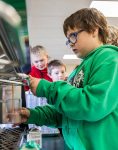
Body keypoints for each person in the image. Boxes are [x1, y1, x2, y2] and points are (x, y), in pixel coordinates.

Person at [17, 8, 118, 150]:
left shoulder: (109, 58)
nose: (70, 43)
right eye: (68, 39)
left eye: (73, 36)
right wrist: (32, 115)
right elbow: (65, 113)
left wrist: (47, 88)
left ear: (94, 30)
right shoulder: (78, 70)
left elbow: (92, 105)